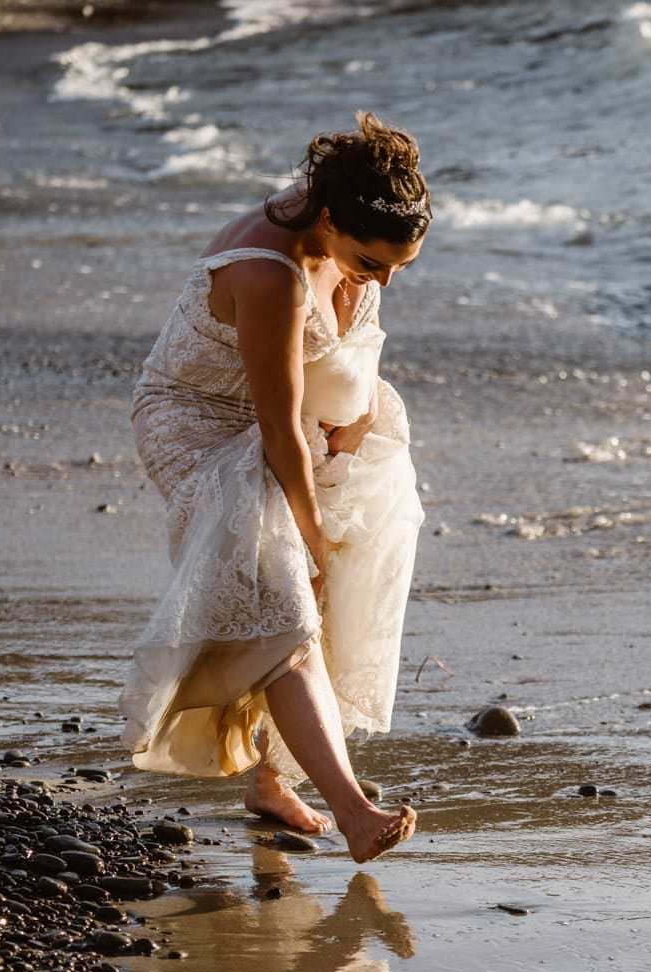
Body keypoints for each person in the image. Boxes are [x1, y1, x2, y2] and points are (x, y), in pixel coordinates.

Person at [122, 112, 428, 863]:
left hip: (295, 418)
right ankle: (356, 811)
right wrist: (312, 533)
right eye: (372, 262)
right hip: (200, 427)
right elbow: (276, 423)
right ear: (327, 221)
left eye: (400, 267)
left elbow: (342, 358)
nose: (383, 279)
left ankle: (269, 780)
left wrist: (356, 424)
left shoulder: (348, 213)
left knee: (317, 596)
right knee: (285, 596)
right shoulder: (267, 272)